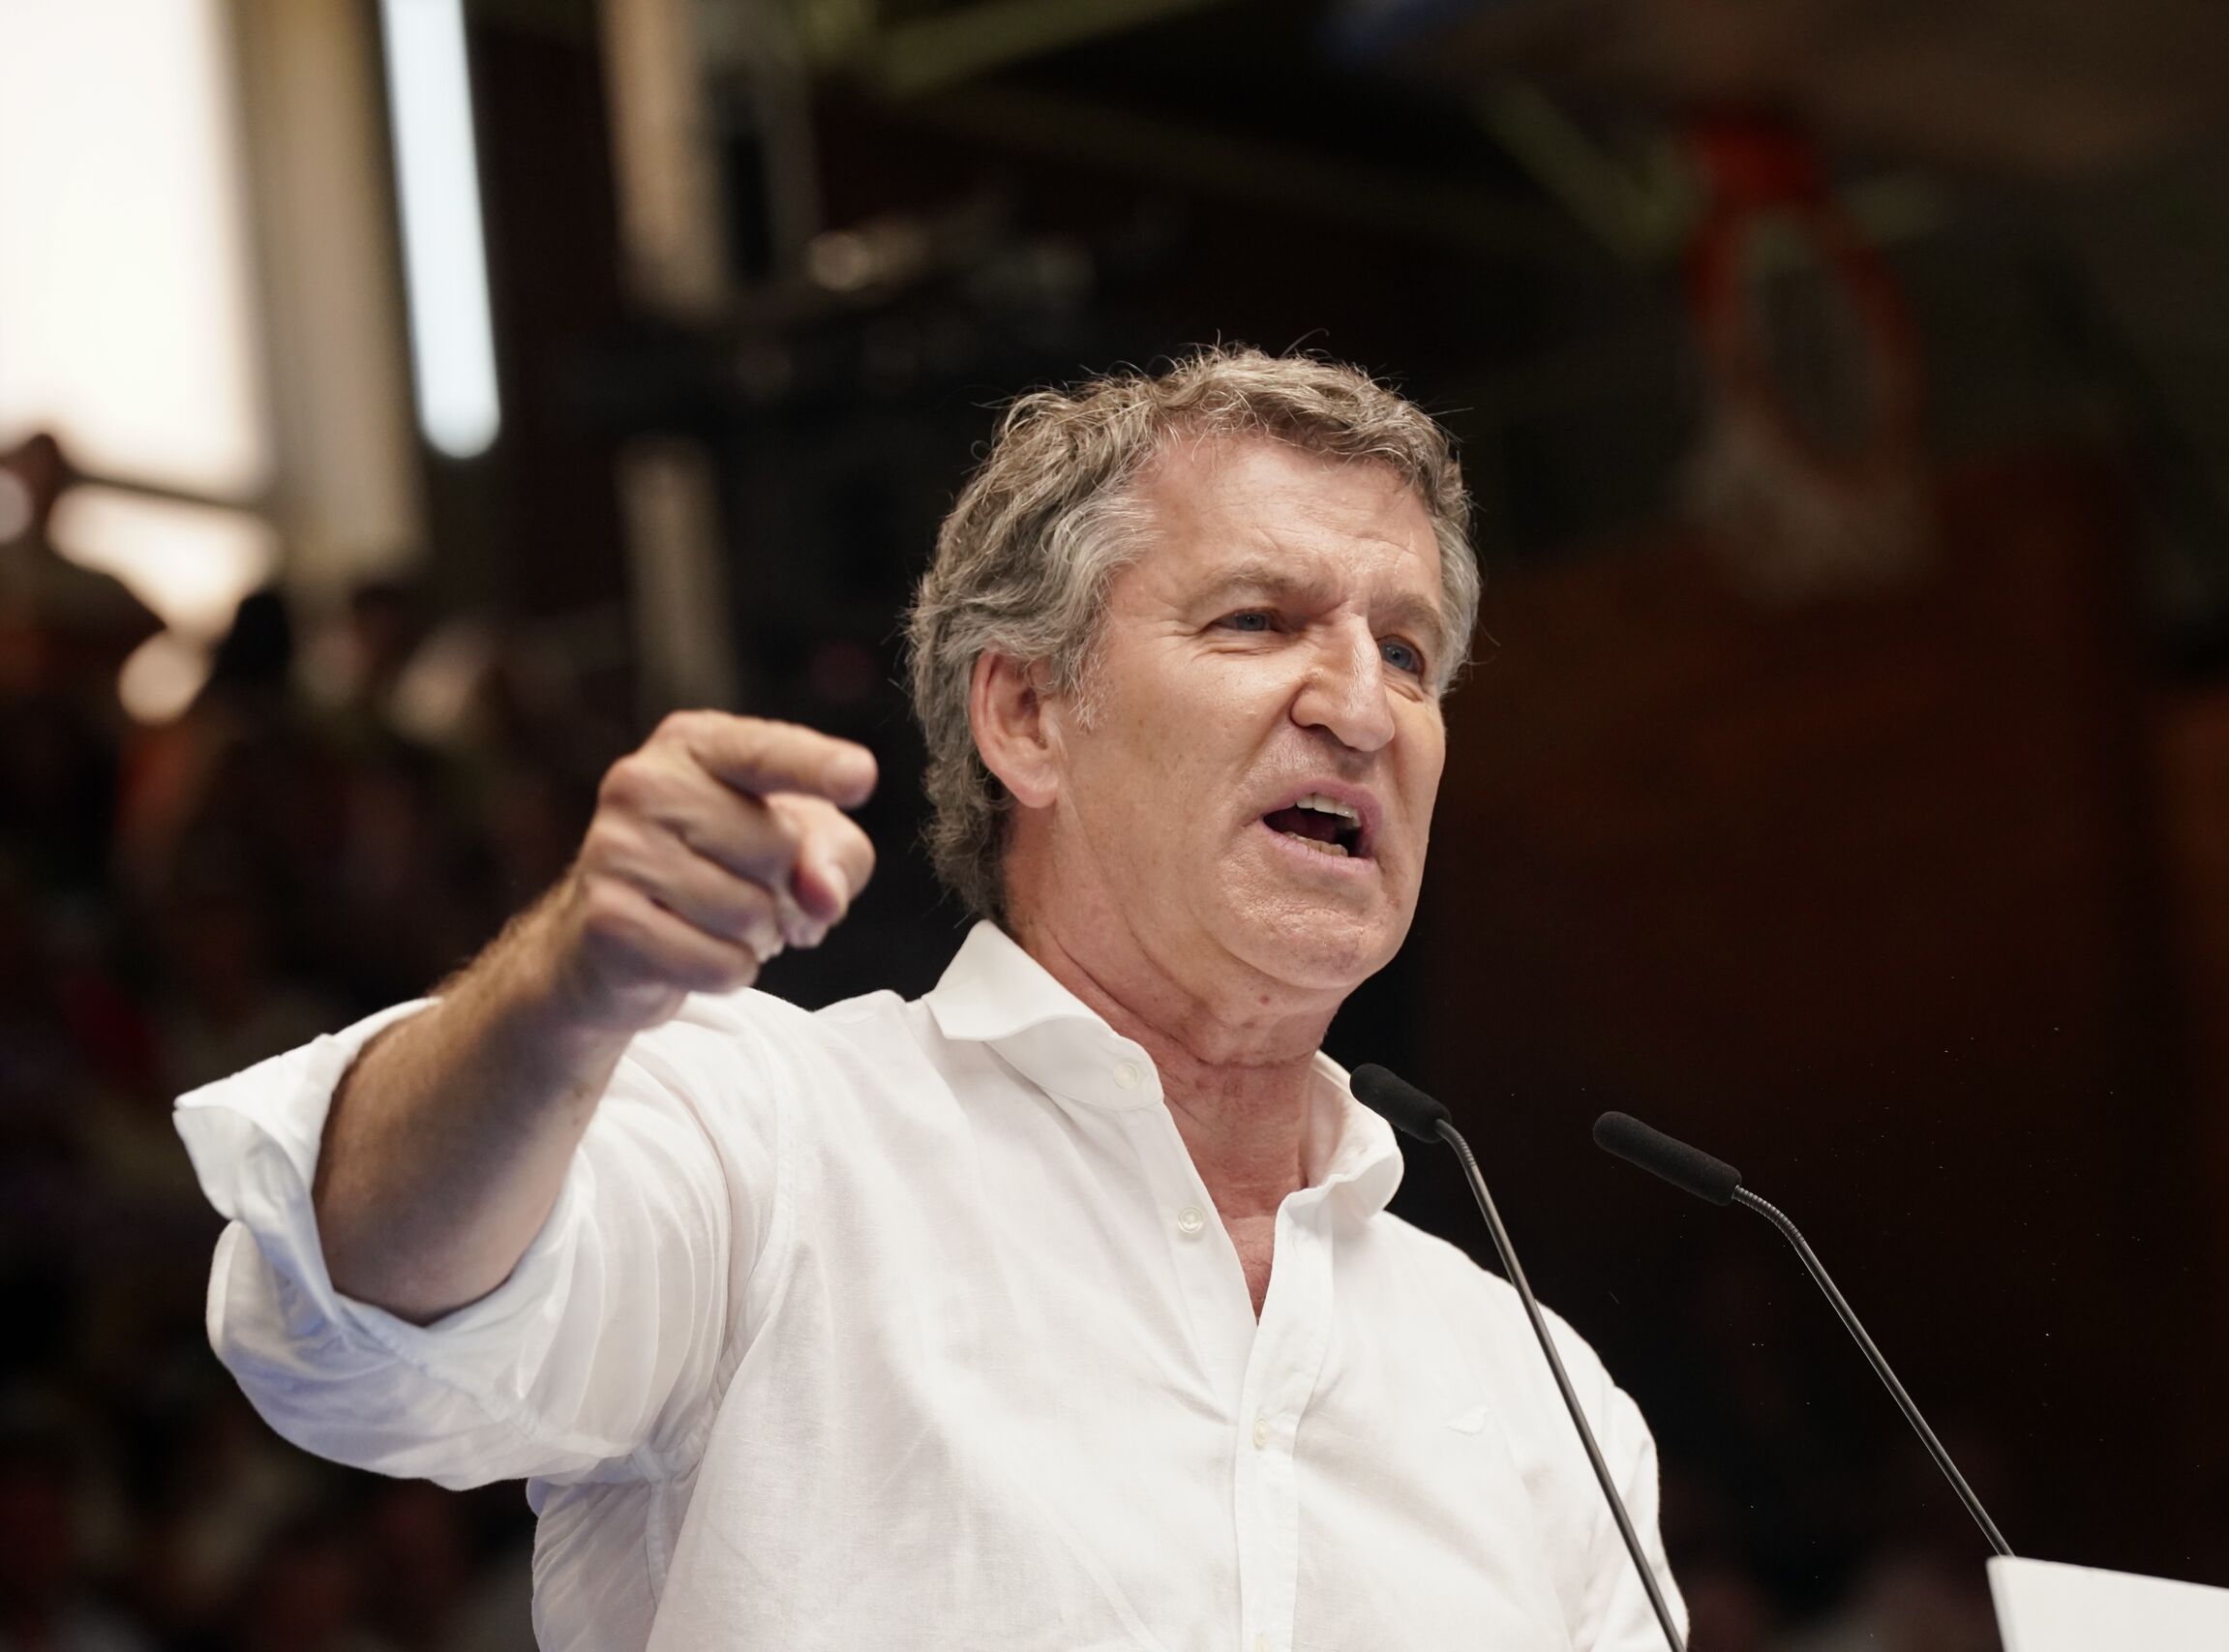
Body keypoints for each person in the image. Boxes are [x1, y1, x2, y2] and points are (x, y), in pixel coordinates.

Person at [175, 348, 1686, 1650]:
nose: (1361, 707)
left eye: (1407, 653)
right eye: (1255, 622)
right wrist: (566, 991)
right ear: (1027, 714)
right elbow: (351, 1314)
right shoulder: (774, 1145)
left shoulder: (1537, 1393)